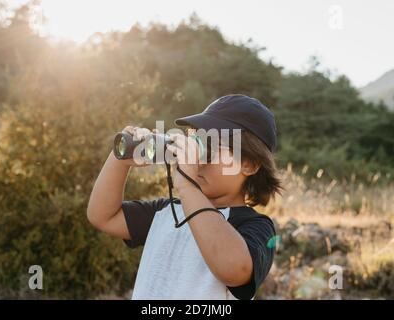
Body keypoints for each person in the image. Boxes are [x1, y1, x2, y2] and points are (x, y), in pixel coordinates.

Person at [87, 94, 283, 299]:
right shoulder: (166, 213)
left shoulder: (256, 226)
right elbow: (103, 216)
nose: (196, 158)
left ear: (249, 164)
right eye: (193, 142)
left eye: (208, 147)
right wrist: (121, 157)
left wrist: (188, 187)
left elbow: (234, 270)